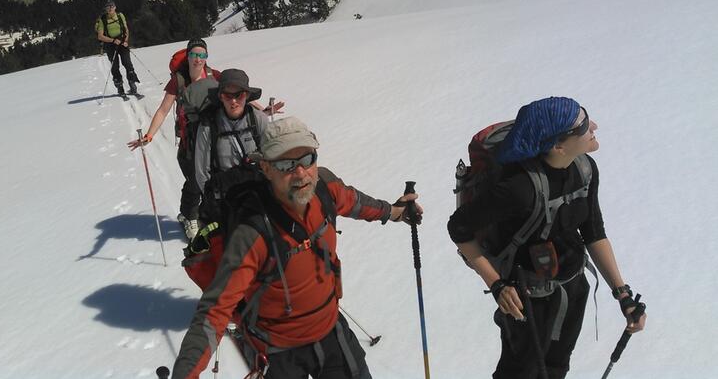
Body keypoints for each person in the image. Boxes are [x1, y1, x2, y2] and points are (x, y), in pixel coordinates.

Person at [171, 116, 423, 379]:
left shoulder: (325, 189)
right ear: (266, 169)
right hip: (278, 353)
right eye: (285, 164)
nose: (300, 173)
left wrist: (395, 212)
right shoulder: (252, 232)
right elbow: (214, 312)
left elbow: (357, 203)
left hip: (331, 332)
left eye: (307, 159)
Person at [448, 97, 646, 379]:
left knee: (556, 367)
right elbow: (459, 229)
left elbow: (593, 232)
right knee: (519, 372)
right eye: (582, 126)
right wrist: (497, 285)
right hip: (526, 299)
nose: (593, 127)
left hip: (573, 287)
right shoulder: (518, 189)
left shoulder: (585, 169)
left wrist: (622, 294)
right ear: (558, 145)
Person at [127, 40, 282, 239]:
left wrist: (263, 111)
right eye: (194, 55)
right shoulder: (179, 81)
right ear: (188, 56)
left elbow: (236, 93)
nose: (198, 59)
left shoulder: (214, 75)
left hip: (214, 133)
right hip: (190, 140)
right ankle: (190, 216)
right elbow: (163, 110)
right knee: (194, 180)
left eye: (202, 55)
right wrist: (149, 135)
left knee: (217, 174)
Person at [192, 68, 270, 229]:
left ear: (247, 95)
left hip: (257, 192)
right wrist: (213, 201)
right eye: (228, 95)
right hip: (225, 197)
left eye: (239, 95)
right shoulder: (209, 126)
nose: (233, 101)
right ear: (221, 96)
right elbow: (202, 171)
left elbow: (271, 156)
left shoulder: (258, 119)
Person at [95, 0, 139, 96]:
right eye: (108, 7)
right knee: (115, 66)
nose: (110, 9)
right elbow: (100, 36)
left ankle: (132, 85)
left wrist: (126, 40)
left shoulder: (120, 15)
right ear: (106, 9)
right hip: (110, 45)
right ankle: (120, 87)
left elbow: (126, 29)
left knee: (127, 63)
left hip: (122, 42)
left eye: (112, 6)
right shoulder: (102, 20)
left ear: (115, 7)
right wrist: (113, 40)